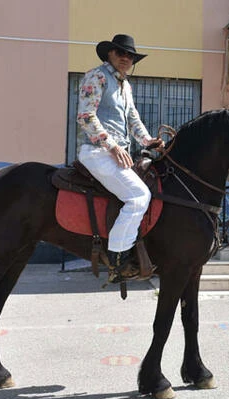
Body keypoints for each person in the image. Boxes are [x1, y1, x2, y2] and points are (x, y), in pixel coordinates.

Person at [76, 34, 160, 274]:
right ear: (109, 54)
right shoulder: (97, 76)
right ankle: (118, 257)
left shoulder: (125, 85)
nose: (125, 58)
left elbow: (133, 119)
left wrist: (148, 141)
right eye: (120, 53)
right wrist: (112, 146)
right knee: (138, 196)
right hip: (98, 152)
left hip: (117, 153)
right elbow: (85, 116)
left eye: (130, 55)